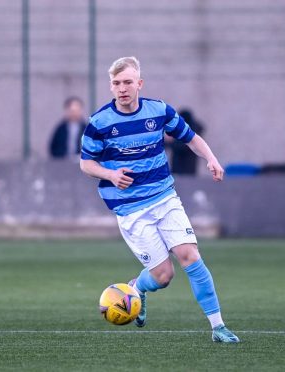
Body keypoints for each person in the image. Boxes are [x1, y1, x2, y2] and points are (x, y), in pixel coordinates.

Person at [79, 56, 239, 343]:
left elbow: (191, 138)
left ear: (139, 83)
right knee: (164, 276)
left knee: (190, 256)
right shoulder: (99, 122)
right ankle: (137, 287)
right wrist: (111, 174)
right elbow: (86, 164)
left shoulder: (159, 111)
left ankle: (218, 327)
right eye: (116, 83)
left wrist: (212, 159)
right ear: (111, 87)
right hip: (131, 210)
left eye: (128, 82)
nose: (122, 88)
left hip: (165, 199)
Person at [166, 108, 205, 175]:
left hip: (183, 168)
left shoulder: (190, 132)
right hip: (186, 167)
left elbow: (181, 147)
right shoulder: (193, 130)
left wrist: (171, 141)